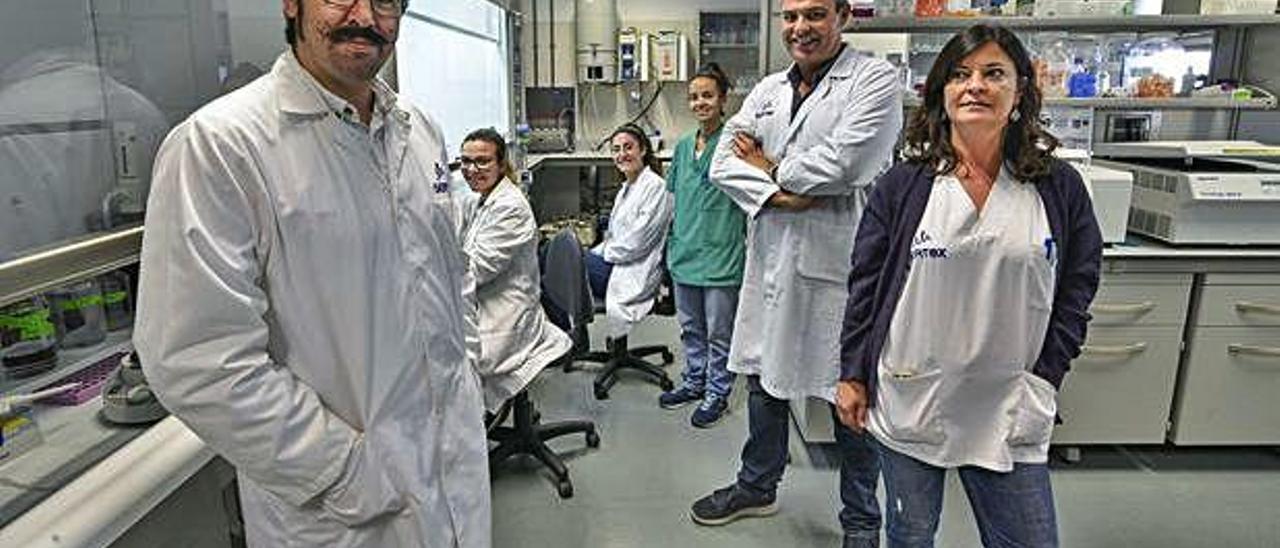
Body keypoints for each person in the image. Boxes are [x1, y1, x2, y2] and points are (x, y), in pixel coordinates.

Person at [133, 1, 490, 546]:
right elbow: (196, 358)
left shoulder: (420, 134)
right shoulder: (221, 145)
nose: (366, 16)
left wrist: (466, 373)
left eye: (387, 1)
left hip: (454, 477)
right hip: (344, 510)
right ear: (291, 4)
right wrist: (347, 473)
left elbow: (448, 273)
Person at [836, 24, 1103, 548]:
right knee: (910, 535)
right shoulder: (905, 186)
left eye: (993, 73)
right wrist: (852, 373)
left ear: (1020, 91)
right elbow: (864, 289)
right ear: (942, 92)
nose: (975, 85)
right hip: (913, 393)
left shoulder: (1056, 187)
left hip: (1009, 398)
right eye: (960, 75)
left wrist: (1047, 374)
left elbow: (1078, 285)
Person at [690, 1, 903, 546]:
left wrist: (771, 166)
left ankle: (861, 521)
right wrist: (781, 196)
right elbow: (720, 164)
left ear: (842, 17)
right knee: (764, 381)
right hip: (773, 261)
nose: (799, 28)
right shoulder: (766, 89)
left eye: (813, 14)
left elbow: (849, 164)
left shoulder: (874, 80)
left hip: (841, 266)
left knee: (847, 398)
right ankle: (757, 485)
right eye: (789, 16)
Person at [657, 63, 747, 429]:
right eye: (694, 96)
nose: (700, 102)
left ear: (723, 99)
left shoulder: (736, 145)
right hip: (686, 252)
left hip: (722, 253)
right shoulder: (681, 148)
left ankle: (717, 391)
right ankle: (695, 381)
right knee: (691, 327)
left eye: (708, 95)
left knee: (719, 332)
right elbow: (677, 198)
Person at [458, 128, 572, 410]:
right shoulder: (478, 199)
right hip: (485, 301)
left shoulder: (510, 207)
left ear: (501, 164)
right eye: (465, 161)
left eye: (482, 161)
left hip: (507, 315)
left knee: (451, 358)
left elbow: (475, 271)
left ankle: (467, 436)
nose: (472, 169)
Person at [584, 124, 674, 340]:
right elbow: (615, 238)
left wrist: (600, 254)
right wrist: (598, 252)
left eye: (628, 147)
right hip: (618, 263)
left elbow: (636, 243)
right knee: (553, 259)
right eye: (616, 149)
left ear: (643, 150)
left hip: (633, 272)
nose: (622, 154)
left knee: (561, 258)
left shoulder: (656, 188)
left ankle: (575, 333)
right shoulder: (627, 188)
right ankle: (573, 330)